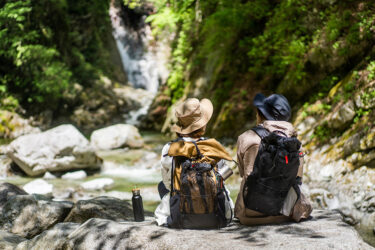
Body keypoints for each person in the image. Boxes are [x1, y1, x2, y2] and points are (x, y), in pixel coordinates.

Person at [154, 98, 234, 228]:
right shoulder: (213, 147)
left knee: (162, 186)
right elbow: (221, 180)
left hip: (181, 215)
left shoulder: (171, 149)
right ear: (203, 124)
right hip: (215, 215)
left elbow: (168, 183)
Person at [235, 93, 312, 225]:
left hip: (250, 213)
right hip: (285, 213)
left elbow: (244, 174)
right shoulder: (294, 144)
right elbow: (297, 179)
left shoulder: (246, 137)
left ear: (260, 115)